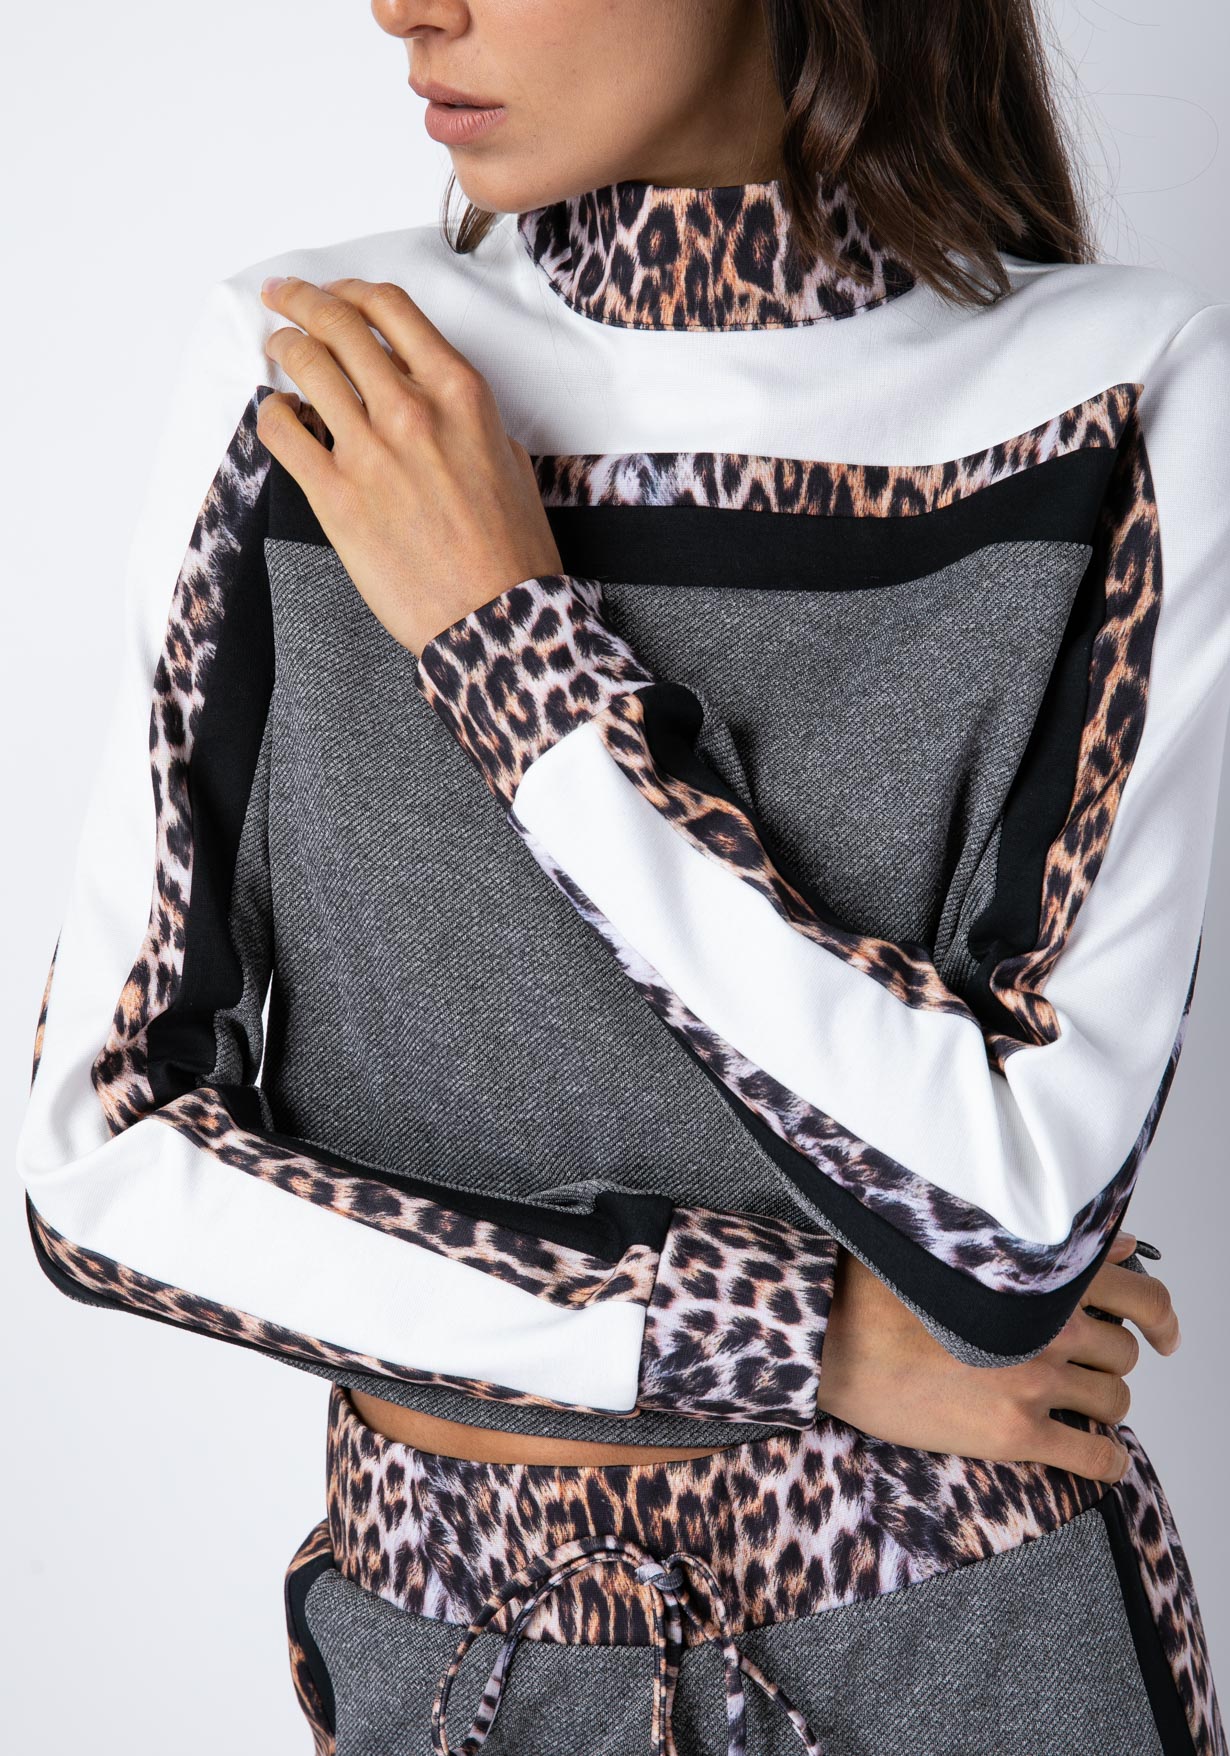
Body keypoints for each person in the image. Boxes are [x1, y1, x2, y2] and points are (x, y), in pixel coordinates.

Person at [16, 0, 1228, 1750]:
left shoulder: (1111, 391)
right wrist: (777, 1332)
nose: (405, 6)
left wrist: (514, 658)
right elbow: (103, 1168)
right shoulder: (321, 372)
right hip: (454, 1658)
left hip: (976, 1653)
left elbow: (1008, 1223)